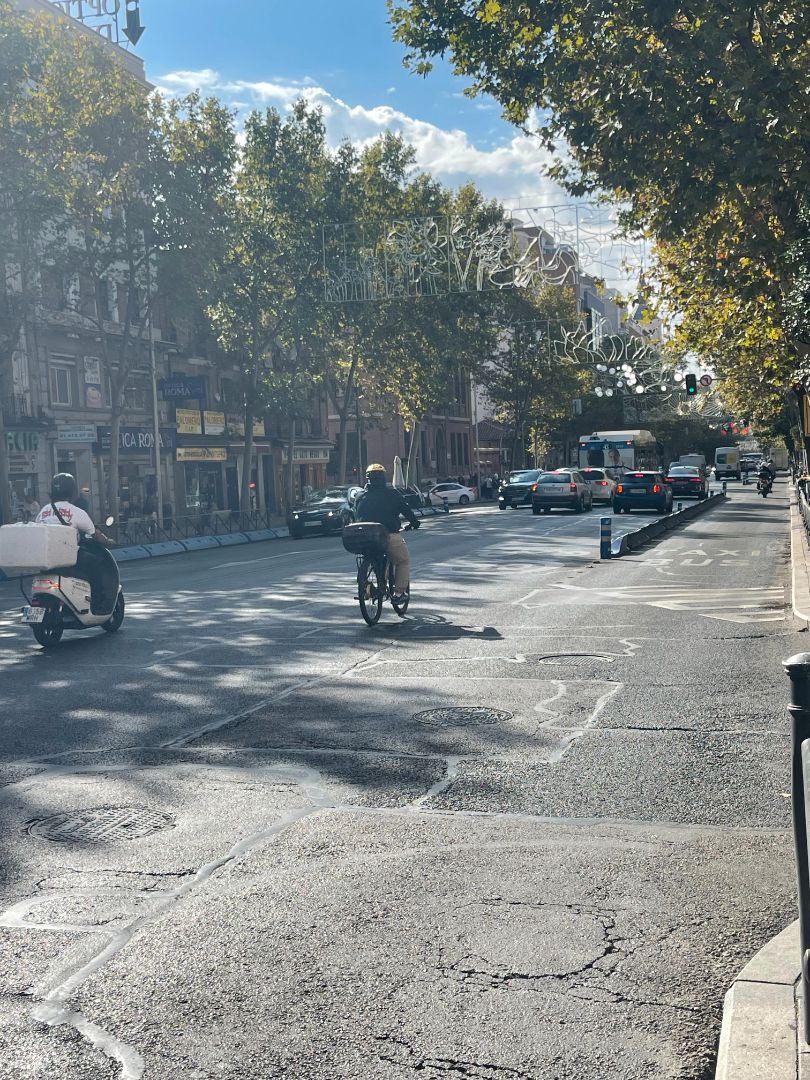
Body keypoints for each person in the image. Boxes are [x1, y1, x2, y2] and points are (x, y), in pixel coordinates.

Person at [36, 473, 116, 614]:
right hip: (69, 559)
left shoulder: (44, 511)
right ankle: (98, 603)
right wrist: (109, 541)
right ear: (72, 491)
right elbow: (96, 535)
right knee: (98, 565)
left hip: (46, 559)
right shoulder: (76, 511)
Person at [355, 463, 420, 603]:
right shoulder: (392, 494)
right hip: (388, 534)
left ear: (368, 479)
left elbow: (357, 515)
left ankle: (372, 586)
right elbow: (406, 511)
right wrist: (415, 523)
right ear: (384, 478)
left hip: (365, 537)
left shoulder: (360, 496)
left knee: (374, 557)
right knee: (403, 561)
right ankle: (399, 594)